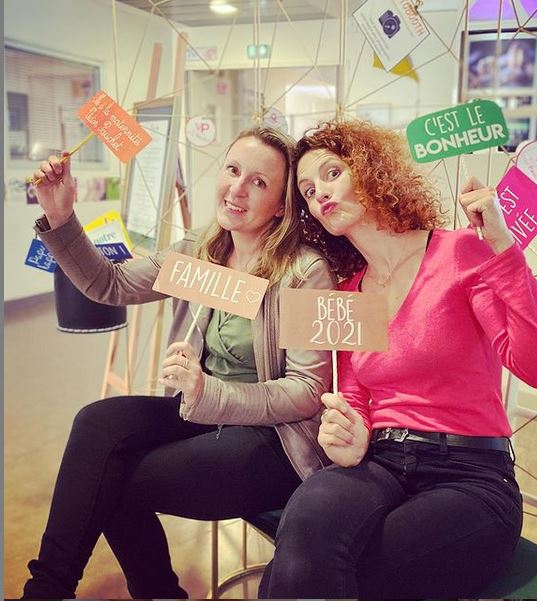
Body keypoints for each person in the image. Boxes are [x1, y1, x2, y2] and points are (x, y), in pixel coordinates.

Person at [22, 126, 335, 599]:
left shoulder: (305, 271)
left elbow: (307, 392)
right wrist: (61, 216)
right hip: (200, 414)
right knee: (96, 422)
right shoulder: (200, 251)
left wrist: (209, 392)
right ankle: (47, 589)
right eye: (233, 170)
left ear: (281, 205)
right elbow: (109, 284)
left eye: (259, 182)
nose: (237, 189)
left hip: (275, 438)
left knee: (109, 482)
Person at [257, 119, 537, 598]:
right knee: (303, 532)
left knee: (303, 574)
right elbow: (354, 391)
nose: (320, 195)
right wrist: (352, 431)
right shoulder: (347, 293)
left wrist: (503, 248)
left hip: (469, 474)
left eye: (333, 173)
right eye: (309, 191)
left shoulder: (459, 252)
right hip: (380, 461)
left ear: (370, 169)